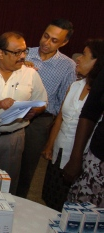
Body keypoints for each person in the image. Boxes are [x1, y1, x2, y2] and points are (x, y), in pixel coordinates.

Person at [0, 32, 47, 194]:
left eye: (24, 51)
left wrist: (33, 110)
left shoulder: (30, 74)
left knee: (6, 186)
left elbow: (43, 102)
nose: (22, 56)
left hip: (13, 138)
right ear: (1, 53)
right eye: (17, 52)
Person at [17, 18, 77, 198]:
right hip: (15, 112)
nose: (46, 42)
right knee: (7, 160)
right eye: (46, 36)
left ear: (64, 43)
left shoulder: (68, 66)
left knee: (27, 167)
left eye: (54, 40)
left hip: (40, 121)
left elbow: (65, 102)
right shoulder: (24, 53)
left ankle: (17, 202)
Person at [41, 39, 104, 210]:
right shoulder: (75, 86)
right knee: (50, 198)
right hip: (59, 151)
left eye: (84, 55)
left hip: (80, 156)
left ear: (97, 62)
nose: (78, 58)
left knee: (70, 205)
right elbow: (60, 117)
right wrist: (49, 145)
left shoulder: (100, 95)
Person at [59, 40, 104, 207]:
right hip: (99, 160)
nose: (78, 58)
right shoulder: (79, 85)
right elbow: (89, 114)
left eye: (83, 55)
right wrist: (76, 158)